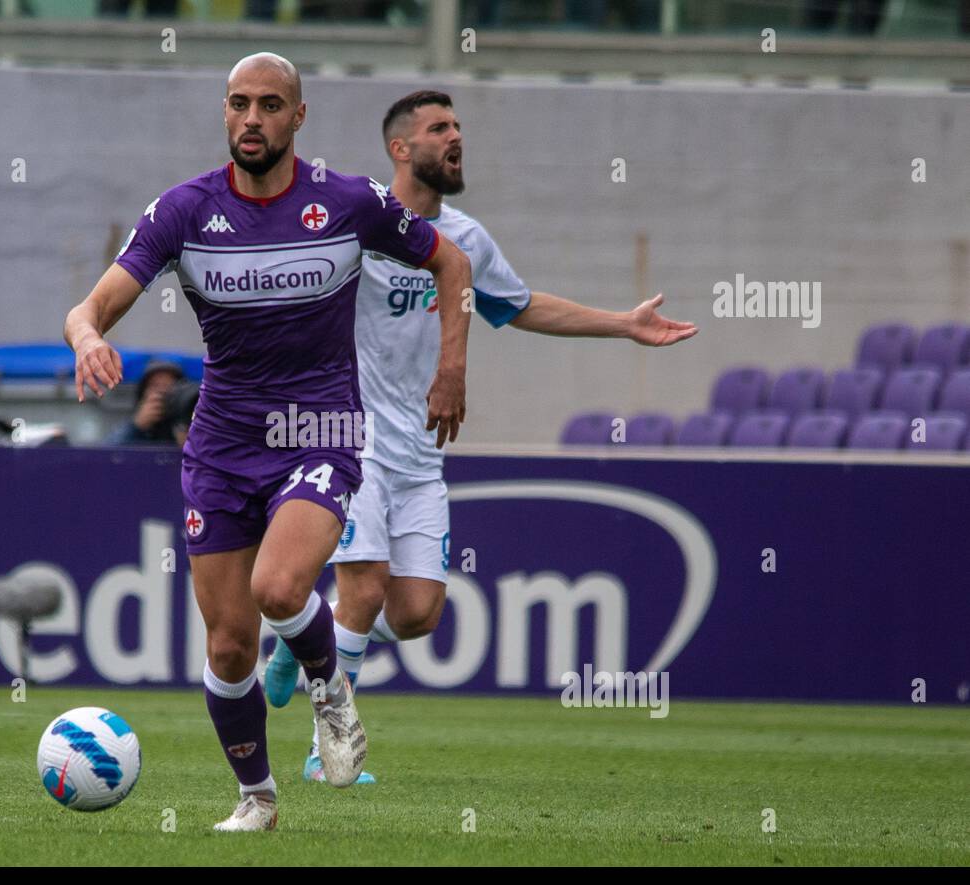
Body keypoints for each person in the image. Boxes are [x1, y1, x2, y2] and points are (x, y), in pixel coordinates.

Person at [63, 53, 473, 831]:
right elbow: (92, 306)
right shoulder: (182, 212)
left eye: (270, 105)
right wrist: (87, 340)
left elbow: (450, 261)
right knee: (227, 649)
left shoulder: (349, 202)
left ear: (298, 116)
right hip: (220, 443)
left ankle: (331, 692)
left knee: (280, 589)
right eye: (239, 104)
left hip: (319, 430)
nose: (252, 118)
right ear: (226, 113)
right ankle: (257, 799)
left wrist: (451, 367)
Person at [265, 89, 697, 783]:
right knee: (367, 589)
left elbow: (521, 307)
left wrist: (624, 323)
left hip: (420, 455)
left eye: (459, 126)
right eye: (439, 128)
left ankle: (303, 634)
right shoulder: (357, 223)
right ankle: (326, 752)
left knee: (416, 614)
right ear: (400, 148)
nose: (455, 136)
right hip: (351, 439)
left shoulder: (466, 239)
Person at [104, 358, 184, 445]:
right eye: (155, 386)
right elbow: (107, 452)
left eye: (170, 386)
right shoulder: (132, 424)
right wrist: (136, 426)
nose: (163, 392)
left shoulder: (189, 423)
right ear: (143, 392)